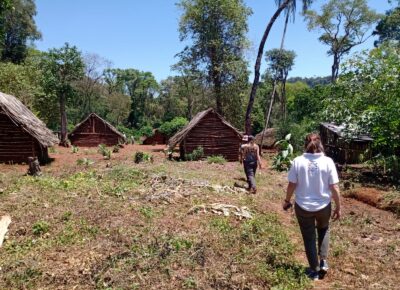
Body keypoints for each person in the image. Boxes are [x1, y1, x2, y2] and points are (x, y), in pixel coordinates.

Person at [283, 133, 341, 281]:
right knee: (324, 229)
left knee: (309, 238)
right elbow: (334, 187)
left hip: (303, 207)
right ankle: (323, 261)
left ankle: (314, 271)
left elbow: (292, 184)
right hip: (324, 206)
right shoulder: (328, 161)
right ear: (321, 144)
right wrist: (338, 207)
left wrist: (287, 200)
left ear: (305, 144)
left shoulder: (297, 161)